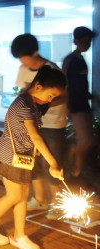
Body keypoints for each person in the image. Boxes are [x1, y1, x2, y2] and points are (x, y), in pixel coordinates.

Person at [0, 66, 65, 249]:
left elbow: (27, 135)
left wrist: (35, 153)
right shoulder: (24, 106)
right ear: (39, 86)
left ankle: (19, 235)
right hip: (10, 158)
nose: (50, 100)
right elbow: (36, 136)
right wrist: (53, 163)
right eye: (51, 95)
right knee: (15, 196)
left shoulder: (29, 102)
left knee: (22, 195)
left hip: (21, 158)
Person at [11, 33, 68, 218]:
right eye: (19, 58)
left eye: (23, 57)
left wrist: (42, 104)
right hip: (30, 123)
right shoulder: (23, 70)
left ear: (34, 53)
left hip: (52, 123)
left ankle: (58, 203)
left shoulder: (52, 70)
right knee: (33, 163)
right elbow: (22, 93)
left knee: (51, 161)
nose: (22, 62)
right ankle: (40, 200)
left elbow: (65, 96)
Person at [63, 26, 97, 183]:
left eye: (89, 40)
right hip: (76, 106)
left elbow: (82, 84)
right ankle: (74, 170)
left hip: (84, 104)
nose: (88, 43)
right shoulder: (71, 60)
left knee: (87, 140)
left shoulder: (81, 59)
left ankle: (77, 171)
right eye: (85, 40)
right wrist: (67, 107)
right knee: (86, 141)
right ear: (76, 40)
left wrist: (91, 96)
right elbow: (65, 84)